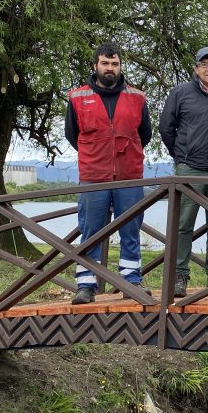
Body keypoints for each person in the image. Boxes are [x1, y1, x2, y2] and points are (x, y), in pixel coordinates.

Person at [65, 41, 152, 304]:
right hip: (93, 176)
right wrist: (98, 153)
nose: (110, 68)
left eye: (114, 63)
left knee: (131, 229)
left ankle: (131, 280)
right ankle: (86, 285)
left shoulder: (137, 97)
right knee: (90, 230)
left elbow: (144, 134)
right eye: (105, 63)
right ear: (95, 66)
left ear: (120, 66)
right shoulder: (77, 97)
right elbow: (72, 134)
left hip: (129, 176)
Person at [159, 47, 208, 297]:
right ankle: (179, 275)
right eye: (204, 64)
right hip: (189, 169)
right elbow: (166, 128)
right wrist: (181, 156)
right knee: (183, 224)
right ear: (196, 69)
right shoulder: (180, 93)